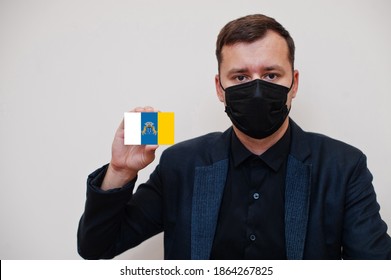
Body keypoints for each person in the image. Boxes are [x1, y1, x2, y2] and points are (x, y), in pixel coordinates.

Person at [77, 14, 391, 260]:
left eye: (270, 75)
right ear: (219, 88)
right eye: (240, 77)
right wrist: (120, 172)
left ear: (294, 84)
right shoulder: (180, 165)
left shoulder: (343, 166)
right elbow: (97, 246)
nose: (256, 90)